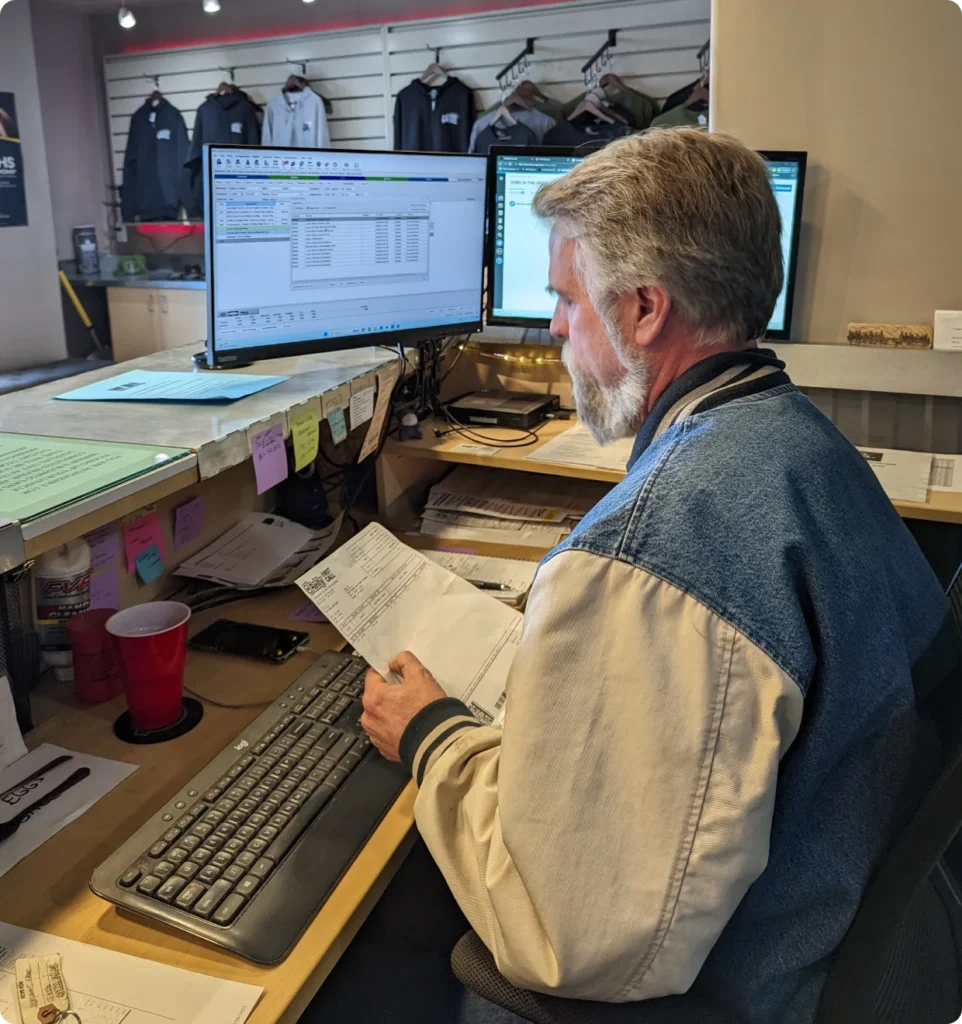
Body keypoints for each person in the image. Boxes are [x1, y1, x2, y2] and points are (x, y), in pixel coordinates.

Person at [304, 129, 950, 1023]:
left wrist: (432, 735)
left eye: (567, 300)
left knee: (344, 955)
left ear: (645, 309)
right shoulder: (799, 439)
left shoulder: (653, 553)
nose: (558, 327)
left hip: (747, 984)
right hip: (830, 916)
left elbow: (569, 940)